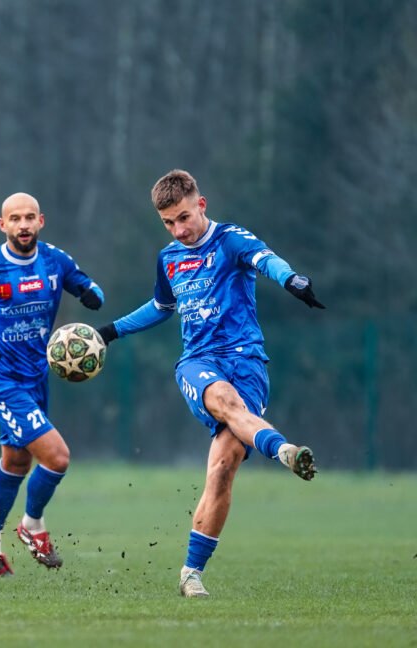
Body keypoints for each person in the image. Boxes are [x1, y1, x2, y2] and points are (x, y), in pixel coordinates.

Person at [96, 169, 323, 598]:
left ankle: (190, 573)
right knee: (224, 401)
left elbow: (266, 260)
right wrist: (110, 332)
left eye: (183, 217)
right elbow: (161, 306)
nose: (178, 230)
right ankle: (284, 451)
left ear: (201, 204)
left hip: (247, 361)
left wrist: (291, 279)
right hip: (198, 362)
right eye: (168, 222)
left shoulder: (230, 239)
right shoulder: (168, 257)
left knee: (223, 467)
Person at [0, 192, 104, 577]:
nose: (24, 225)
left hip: (37, 379)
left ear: (41, 221)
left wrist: (91, 295)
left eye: (30, 217)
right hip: (1, 382)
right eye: (15, 219)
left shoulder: (55, 260)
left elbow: (90, 287)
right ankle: (32, 525)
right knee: (57, 458)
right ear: (3, 225)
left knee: (16, 462)